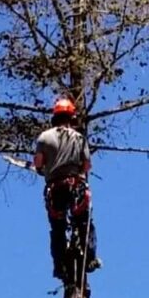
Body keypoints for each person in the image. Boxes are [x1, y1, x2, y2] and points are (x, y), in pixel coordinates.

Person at [33, 97, 101, 283]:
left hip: (55, 188)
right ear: (71, 117)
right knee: (84, 223)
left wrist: (43, 169)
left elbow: (38, 163)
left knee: (57, 228)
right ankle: (90, 259)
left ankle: (59, 266)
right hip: (75, 186)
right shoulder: (79, 138)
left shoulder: (44, 137)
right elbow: (87, 165)